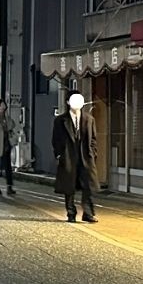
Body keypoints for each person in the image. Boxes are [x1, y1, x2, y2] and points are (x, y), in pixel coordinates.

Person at [51, 91, 97, 222]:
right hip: (68, 156)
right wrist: (59, 155)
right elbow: (55, 140)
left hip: (85, 157)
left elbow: (93, 139)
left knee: (88, 185)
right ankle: (71, 212)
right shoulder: (60, 120)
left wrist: (93, 153)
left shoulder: (89, 119)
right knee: (69, 186)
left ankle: (88, 213)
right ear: (68, 102)